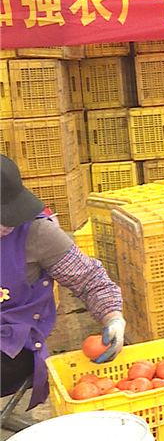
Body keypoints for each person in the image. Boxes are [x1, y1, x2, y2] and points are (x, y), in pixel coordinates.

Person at [1, 155, 125, 411]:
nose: (8, 224)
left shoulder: (37, 233)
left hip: (12, 343)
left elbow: (90, 280)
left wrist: (114, 318)